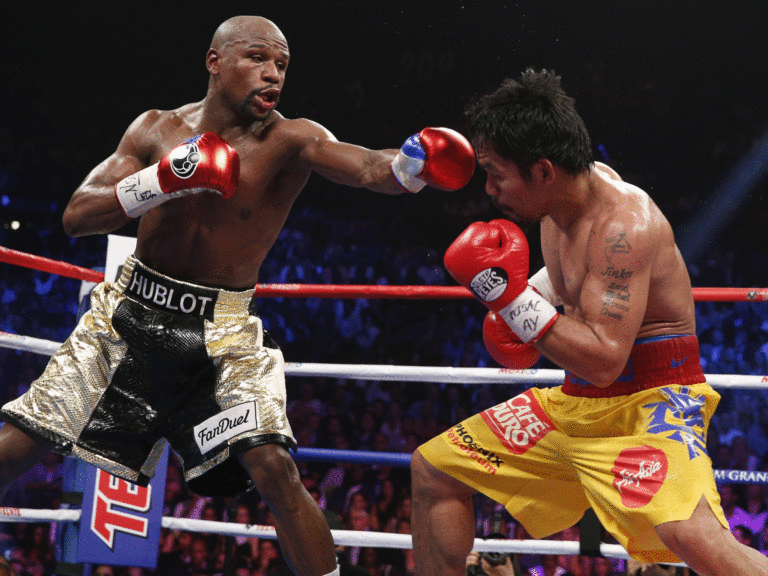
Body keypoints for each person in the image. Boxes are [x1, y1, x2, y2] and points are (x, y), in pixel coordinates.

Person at [0, 15, 475, 576]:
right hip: (126, 318)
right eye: (257, 58)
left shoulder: (291, 139)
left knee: (274, 467)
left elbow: (372, 168)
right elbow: (78, 216)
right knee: (22, 441)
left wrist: (413, 164)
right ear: (215, 61)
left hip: (221, 335)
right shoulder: (155, 128)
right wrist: (164, 179)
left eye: (282, 64)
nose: (273, 74)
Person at [409, 68, 768, 576]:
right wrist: (525, 298)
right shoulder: (562, 201)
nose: (489, 189)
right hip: (576, 402)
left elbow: (603, 361)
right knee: (434, 470)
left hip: (652, 402)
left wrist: (511, 299)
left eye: (496, 174)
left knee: (694, 538)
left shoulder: (625, 226)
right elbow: (576, 282)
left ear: (543, 171)